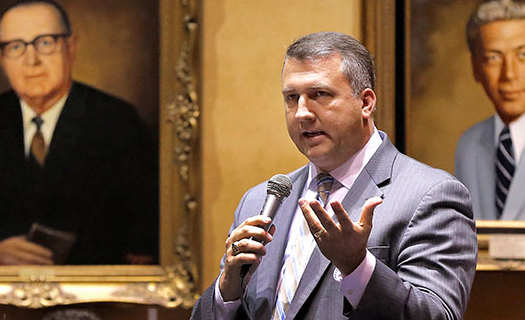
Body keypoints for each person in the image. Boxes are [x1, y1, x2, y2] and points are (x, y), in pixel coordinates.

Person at [191, 32, 477, 320]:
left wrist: (357, 266)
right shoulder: (258, 201)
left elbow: (439, 315)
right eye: (292, 98)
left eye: (320, 95)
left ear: (366, 103)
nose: (302, 113)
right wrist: (227, 290)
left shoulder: (431, 195)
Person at [0, 0, 158, 265]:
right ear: (0, 58)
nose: (32, 60)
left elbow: (144, 238)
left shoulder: (117, 122)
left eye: (45, 43)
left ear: (71, 47)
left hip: (91, 299)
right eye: (15, 47)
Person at [455, 0, 525, 220]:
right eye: (493, 58)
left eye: (523, 55)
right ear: (475, 67)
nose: (509, 74)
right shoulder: (469, 145)